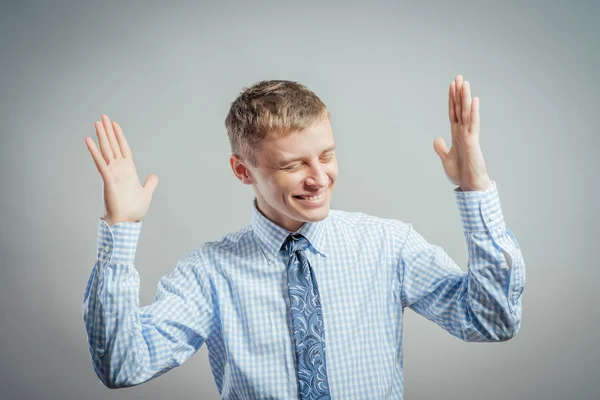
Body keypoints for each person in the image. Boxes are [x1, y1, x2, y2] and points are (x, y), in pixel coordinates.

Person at [82, 76, 526, 399]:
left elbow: (492, 321)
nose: (319, 178)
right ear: (243, 171)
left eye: (327, 156)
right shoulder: (208, 272)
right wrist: (120, 230)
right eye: (293, 165)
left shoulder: (389, 245)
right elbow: (124, 365)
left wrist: (477, 189)